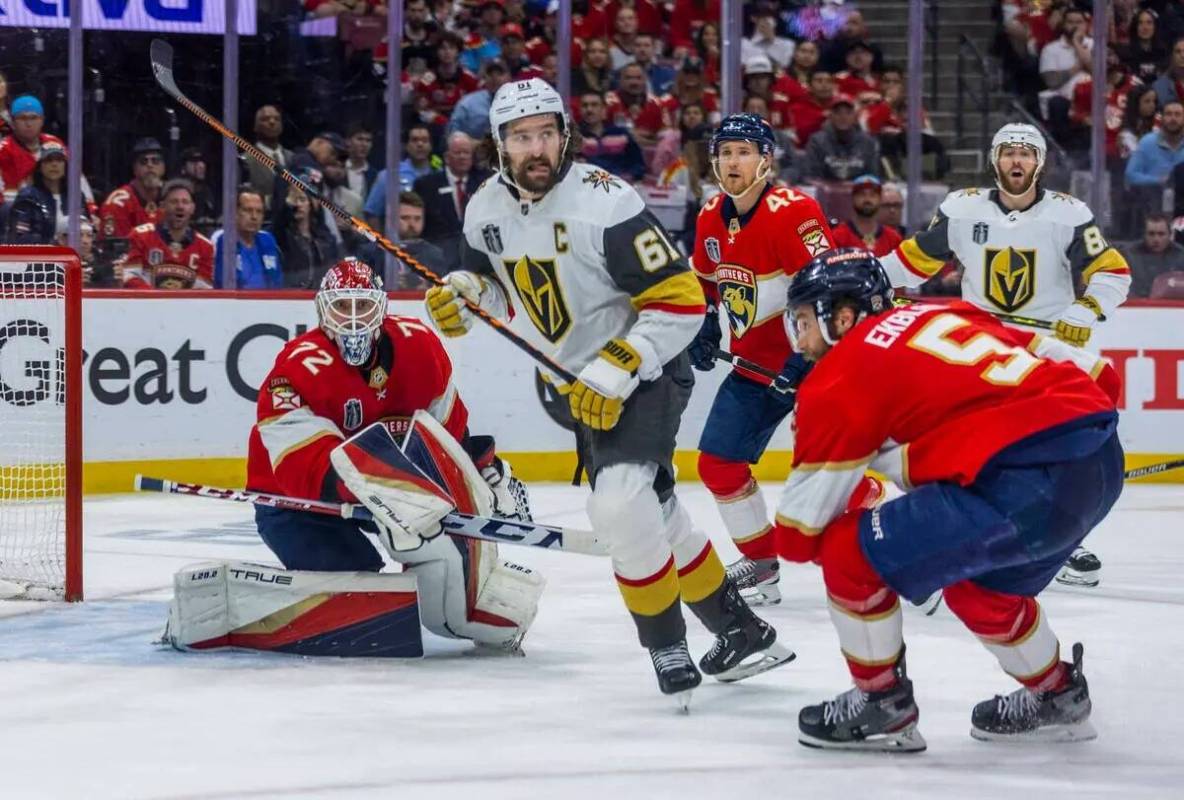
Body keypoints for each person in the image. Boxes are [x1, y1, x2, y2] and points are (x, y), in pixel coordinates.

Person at [423, 78, 790, 707]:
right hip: (576, 385)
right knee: (655, 511)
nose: (535, 149)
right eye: (520, 138)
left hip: (645, 369)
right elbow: (499, 286)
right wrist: (466, 293)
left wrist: (618, 364)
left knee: (618, 505)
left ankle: (665, 642)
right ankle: (742, 630)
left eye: (545, 134)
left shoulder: (606, 202)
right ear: (499, 145)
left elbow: (681, 302)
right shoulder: (484, 208)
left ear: (564, 135)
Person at [774, 249, 1122, 750]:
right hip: (1100, 462)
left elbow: (798, 536)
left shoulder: (838, 376)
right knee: (979, 590)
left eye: (803, 321)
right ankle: (1058, 693)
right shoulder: (944, 310)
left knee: (849, 551)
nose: (800, 341)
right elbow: (1099, 376)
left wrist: (855, 485)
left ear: (841, 317)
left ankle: (881, 703)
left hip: (1023, 484)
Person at [246, 257, 543, 653]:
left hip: (396, 494)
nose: (353, 319)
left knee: (446, 565)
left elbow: (448, 436)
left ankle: (476, 598)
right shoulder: (297, 367)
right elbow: (310, 470)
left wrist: (482, 473)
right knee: (359, 590)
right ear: (322, 311)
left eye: (363, 306)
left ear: (382, 308)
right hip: (298, 505)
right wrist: (397, 496)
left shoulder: (419, 346)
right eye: (341, 307)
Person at [879, 123, 1131, 589]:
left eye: (1027, 154)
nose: (1018, 161)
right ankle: (960, 533)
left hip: (1046, 352)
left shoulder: (1068, 214)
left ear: (1040, 163)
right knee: (970, 445)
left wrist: (1086, 307)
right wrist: (870, 277)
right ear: (995, 160)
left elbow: (1112, 272)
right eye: (1009, 153)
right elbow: (913, 260)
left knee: (1055, 448)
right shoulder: (961, 209)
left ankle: (1063, 540)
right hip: (981, 347)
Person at [687, 114, 866, 608]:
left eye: (743, 152)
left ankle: (889, 557)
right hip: (753, 366)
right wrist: (704, 321)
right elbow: (703, 281)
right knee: (718, 465)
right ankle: (762, 566)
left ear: (766, 159)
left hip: (815, 364)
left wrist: (803, 362)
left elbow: (827, 287)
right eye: (724, 153)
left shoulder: (794, 211)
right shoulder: (709, 215)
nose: (732, 162)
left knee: (831, 475)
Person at [121, 179, 215, 290]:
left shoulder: (205, 247)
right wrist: (158, 300)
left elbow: (204, 290)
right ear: (162, 206)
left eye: (185, 202)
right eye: (174, 201)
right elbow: (129, 277)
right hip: (147, 306)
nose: (180, 206)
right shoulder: (140, 236)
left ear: (192, 208)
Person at [411, 131, 487, 265]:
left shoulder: (485, 183)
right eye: (458, 153)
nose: (463, 157)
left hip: (476, 259)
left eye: (466, 153)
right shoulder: (426, 185)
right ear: (446, 157)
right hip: (438, 259)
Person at [272, 170, 340, 289]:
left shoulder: (326, 238)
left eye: (302, 200)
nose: (298, 205)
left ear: (312, 205)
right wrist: (289, 202)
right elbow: (278, 225)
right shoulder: (283, 235)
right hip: (292, 297)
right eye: (294, 200)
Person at [1125, 101, 1184, 232]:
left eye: (1177, 114)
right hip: (1151, 205)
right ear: (1161, 118)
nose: (1173, 118)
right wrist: (1157, 181)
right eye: (1168, 114)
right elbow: (1131, 175)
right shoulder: (1147, 142)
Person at [212, 187, 283, 289]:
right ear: (235, 213)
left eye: (259, 211)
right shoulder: (226, 240)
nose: (254, 217)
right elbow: (223, 283)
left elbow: (277, 281)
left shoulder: (267, 240)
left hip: (267, 302)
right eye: (248, 210)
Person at [802, 95, 880, 182]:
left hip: (858, 193)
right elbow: (811, 176)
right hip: (825, 192)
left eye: (848, 112)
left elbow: (872, 176)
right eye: (838, 112)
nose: (843, 117)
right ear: (830, 116)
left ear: (855, 116)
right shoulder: (817, 141)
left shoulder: (867, 142)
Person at [0, 95, 64, 201]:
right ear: (13, 122)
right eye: (22, 118)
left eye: (33, 118)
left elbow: (76, 180)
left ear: (42, 120)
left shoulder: (55, 143)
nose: (29, 124)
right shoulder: (3, 150)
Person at [5, 141, 70, 244]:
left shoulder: (76, 196)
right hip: (41, 257)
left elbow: (87, 231)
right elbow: (19, 239)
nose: (54, 164)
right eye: (48, 160)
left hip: (74, 256)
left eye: (59, 160)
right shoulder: (28, 197)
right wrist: (55, 243)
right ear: (40, 166)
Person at [100, 137, 166, 239]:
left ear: (163, 168)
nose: (150, 165)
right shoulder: (118, 202)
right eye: (143, 161)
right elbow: (116, 249)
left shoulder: (171, 198)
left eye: (155, 161)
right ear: (134, 169)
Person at [577, 90, 646, 181]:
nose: (589, 109)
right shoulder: (575, 138)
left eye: (594, 105)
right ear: (580, 110)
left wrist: (630, 176)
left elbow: (638, 164)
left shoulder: (621, 134)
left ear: (604, 109)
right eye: (585, 105)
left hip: (621, 187)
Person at [831, 174, 903, 257]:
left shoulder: (893, 238)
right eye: (862, 194)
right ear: (853, 198)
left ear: (880, 199)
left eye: (872, 195)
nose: (867, 199)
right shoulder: (838, 236)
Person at [246, 105, 293, 213]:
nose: (272, 122)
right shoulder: (246, 161)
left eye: (277, 119)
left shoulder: (293, 158)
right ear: (255, 126)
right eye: (265, 119)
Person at [1124, 212, 1184, 297]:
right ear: (1144, 235)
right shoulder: (1129, 255)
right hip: (1136, 306)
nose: (1156, 239)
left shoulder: (1181, 256)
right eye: (1151, 234)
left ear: (1170, 235)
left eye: (1161, 234)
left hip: (1171, 307)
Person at [448, 59, 510, 139]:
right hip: (475, 148)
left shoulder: (521, 101)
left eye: (499, 74)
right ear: (484, 78)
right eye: (490, 74)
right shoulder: (467, 103)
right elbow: (453, 133)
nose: (495, 78)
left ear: (509, 77)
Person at [178, 147, 218, 236]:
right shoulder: (177, 191)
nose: (201, 166)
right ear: (183, 168)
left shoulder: (207, 191)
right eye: (194, 162)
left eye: (202, 161)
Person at [344, 124, 377, 200]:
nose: (364, 144)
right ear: (348, 141)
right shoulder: (338, 170)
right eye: (360, 139)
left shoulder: (374, 176)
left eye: (368, 141)